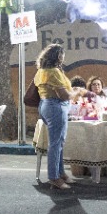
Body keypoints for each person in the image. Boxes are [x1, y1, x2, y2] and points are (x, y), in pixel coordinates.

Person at [35, 43, 74, 189]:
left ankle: (61, 172)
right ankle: (54, 177)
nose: (63, 58)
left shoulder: (41, 71)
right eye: (62, 55)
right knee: (56, 143)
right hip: (56, 107)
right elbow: (63, 96)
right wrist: (76, 93)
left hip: (45, 106)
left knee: (58, 142)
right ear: (58, 56)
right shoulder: (54, 72)